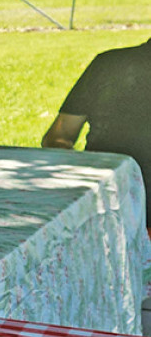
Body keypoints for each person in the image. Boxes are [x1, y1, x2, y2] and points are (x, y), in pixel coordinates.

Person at [41, 37, 151, 228]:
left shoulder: (107, 63)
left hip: (106, 210)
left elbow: (59, 136)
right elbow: (58, 138)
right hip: (109, 206)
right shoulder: (108, 65)